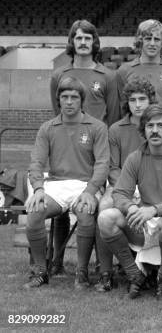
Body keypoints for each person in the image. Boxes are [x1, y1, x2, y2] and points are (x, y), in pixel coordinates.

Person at [97, 105, 162, 299]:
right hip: (143, 223)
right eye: (150, 125)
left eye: (160, 125)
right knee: (106, 218)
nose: (155, 130)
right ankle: (134, 274)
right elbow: (119, 194)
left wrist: (154, 210)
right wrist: (132, 206)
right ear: (144, 129)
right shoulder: (136, 157)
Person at [48, 19, 120, 276]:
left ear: (94, 42)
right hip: (68, 152)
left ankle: (96, 264)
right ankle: (56, 259)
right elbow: (58, 114)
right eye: (78, 38)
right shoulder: (59, 75)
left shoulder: (108, 76)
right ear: (72, 42)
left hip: (97, 151)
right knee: (60, 210)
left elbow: (113, 116)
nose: (83, 43)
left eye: (87, 38)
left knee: (91, 205)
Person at [25, 77, 109, 290]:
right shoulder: (47, 128)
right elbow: (36, 161)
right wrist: (38, 188)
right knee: (35, 212)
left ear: (82, 100)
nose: (69, 101)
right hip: (56, 185)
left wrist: (91, 191)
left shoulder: (97, 127)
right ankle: (40, 271)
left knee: (85, 212)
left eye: (74, 97)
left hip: (86, 184)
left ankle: (81, 273)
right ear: (58, 100)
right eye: (65, 97)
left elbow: (102, 164)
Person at [95, 76, 156, 292]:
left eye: (142, 99)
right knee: (103, 207)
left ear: (151, 101)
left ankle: (145, 267)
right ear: (126, 103)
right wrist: (128, 189)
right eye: (132, 100)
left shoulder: (158, 125)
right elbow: (113, 166)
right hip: (121, 184)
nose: (137, 105)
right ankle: (105, 272)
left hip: (153, 186)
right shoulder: (116, 129)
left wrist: (142, 188)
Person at [117, 19, 162, 123]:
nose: (152, 43)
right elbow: (123, 109)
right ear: (140, 41)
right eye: (148, 39)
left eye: (157, 39)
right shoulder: (124, 71)